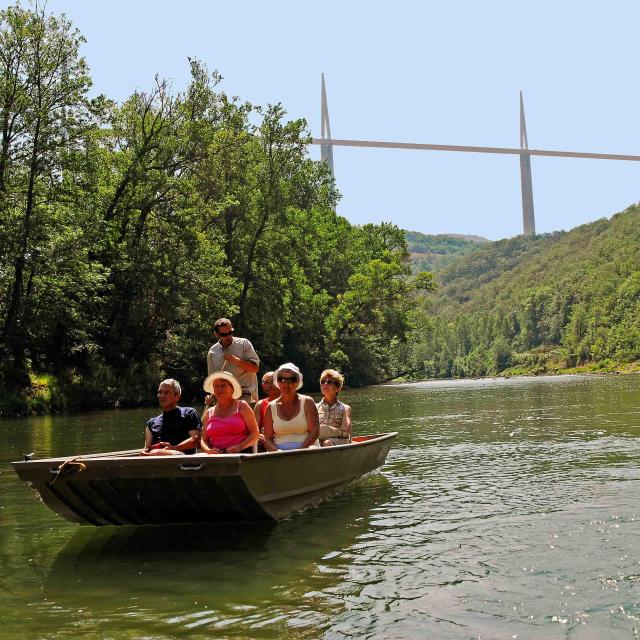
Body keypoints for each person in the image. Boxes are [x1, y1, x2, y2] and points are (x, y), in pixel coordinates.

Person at [262, 363, 319, 451]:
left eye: (291, 379)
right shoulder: (270, 407)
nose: (286, 383)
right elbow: (268, 438)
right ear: (277, 382)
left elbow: (314, 433)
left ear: (298, 382)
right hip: (280, 455)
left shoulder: (307, 402)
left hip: (306, 451)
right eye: (282, 379)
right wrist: (278, 452)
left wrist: (299, 452)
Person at [200, 371, 259, 454]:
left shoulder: (242, 406)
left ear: (232, 389)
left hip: (241, 455)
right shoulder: (209, 412)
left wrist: (238, 447)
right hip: (216, 456)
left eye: (223, 385)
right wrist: (208, 450)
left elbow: (255, 434)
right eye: (216, 386)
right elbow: (203, 439)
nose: (219, 389)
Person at [206, 318, 259, 404]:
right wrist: (211, 397)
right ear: (216, 334)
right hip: (223, 394)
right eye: (224, 334)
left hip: (244, 392)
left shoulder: (244, 344)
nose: (228, 336)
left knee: (239, 410)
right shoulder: (212, 352)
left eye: (230, 332)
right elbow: (213, 379)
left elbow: (255, 368)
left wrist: (236, 361)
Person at [142, 379, 201, 456]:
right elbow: (146, 448)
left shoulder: (189, 413)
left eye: (166, 392)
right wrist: (144, 452)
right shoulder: (152, 423)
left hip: (182, 461)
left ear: (177, 396)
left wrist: (174, 448)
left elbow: (195, 440)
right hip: (156, 460)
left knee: (156, 452)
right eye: (160, 392)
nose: (162, 396)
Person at [317, 369, 352, 446]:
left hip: (340, 441)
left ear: (338, 388)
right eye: (323, 382)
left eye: (329, 382)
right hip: (318, 440)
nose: (325, 384)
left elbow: (346, 431)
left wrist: (328, 430)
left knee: (327, 443)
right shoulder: (314, 407)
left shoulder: (345, 408)